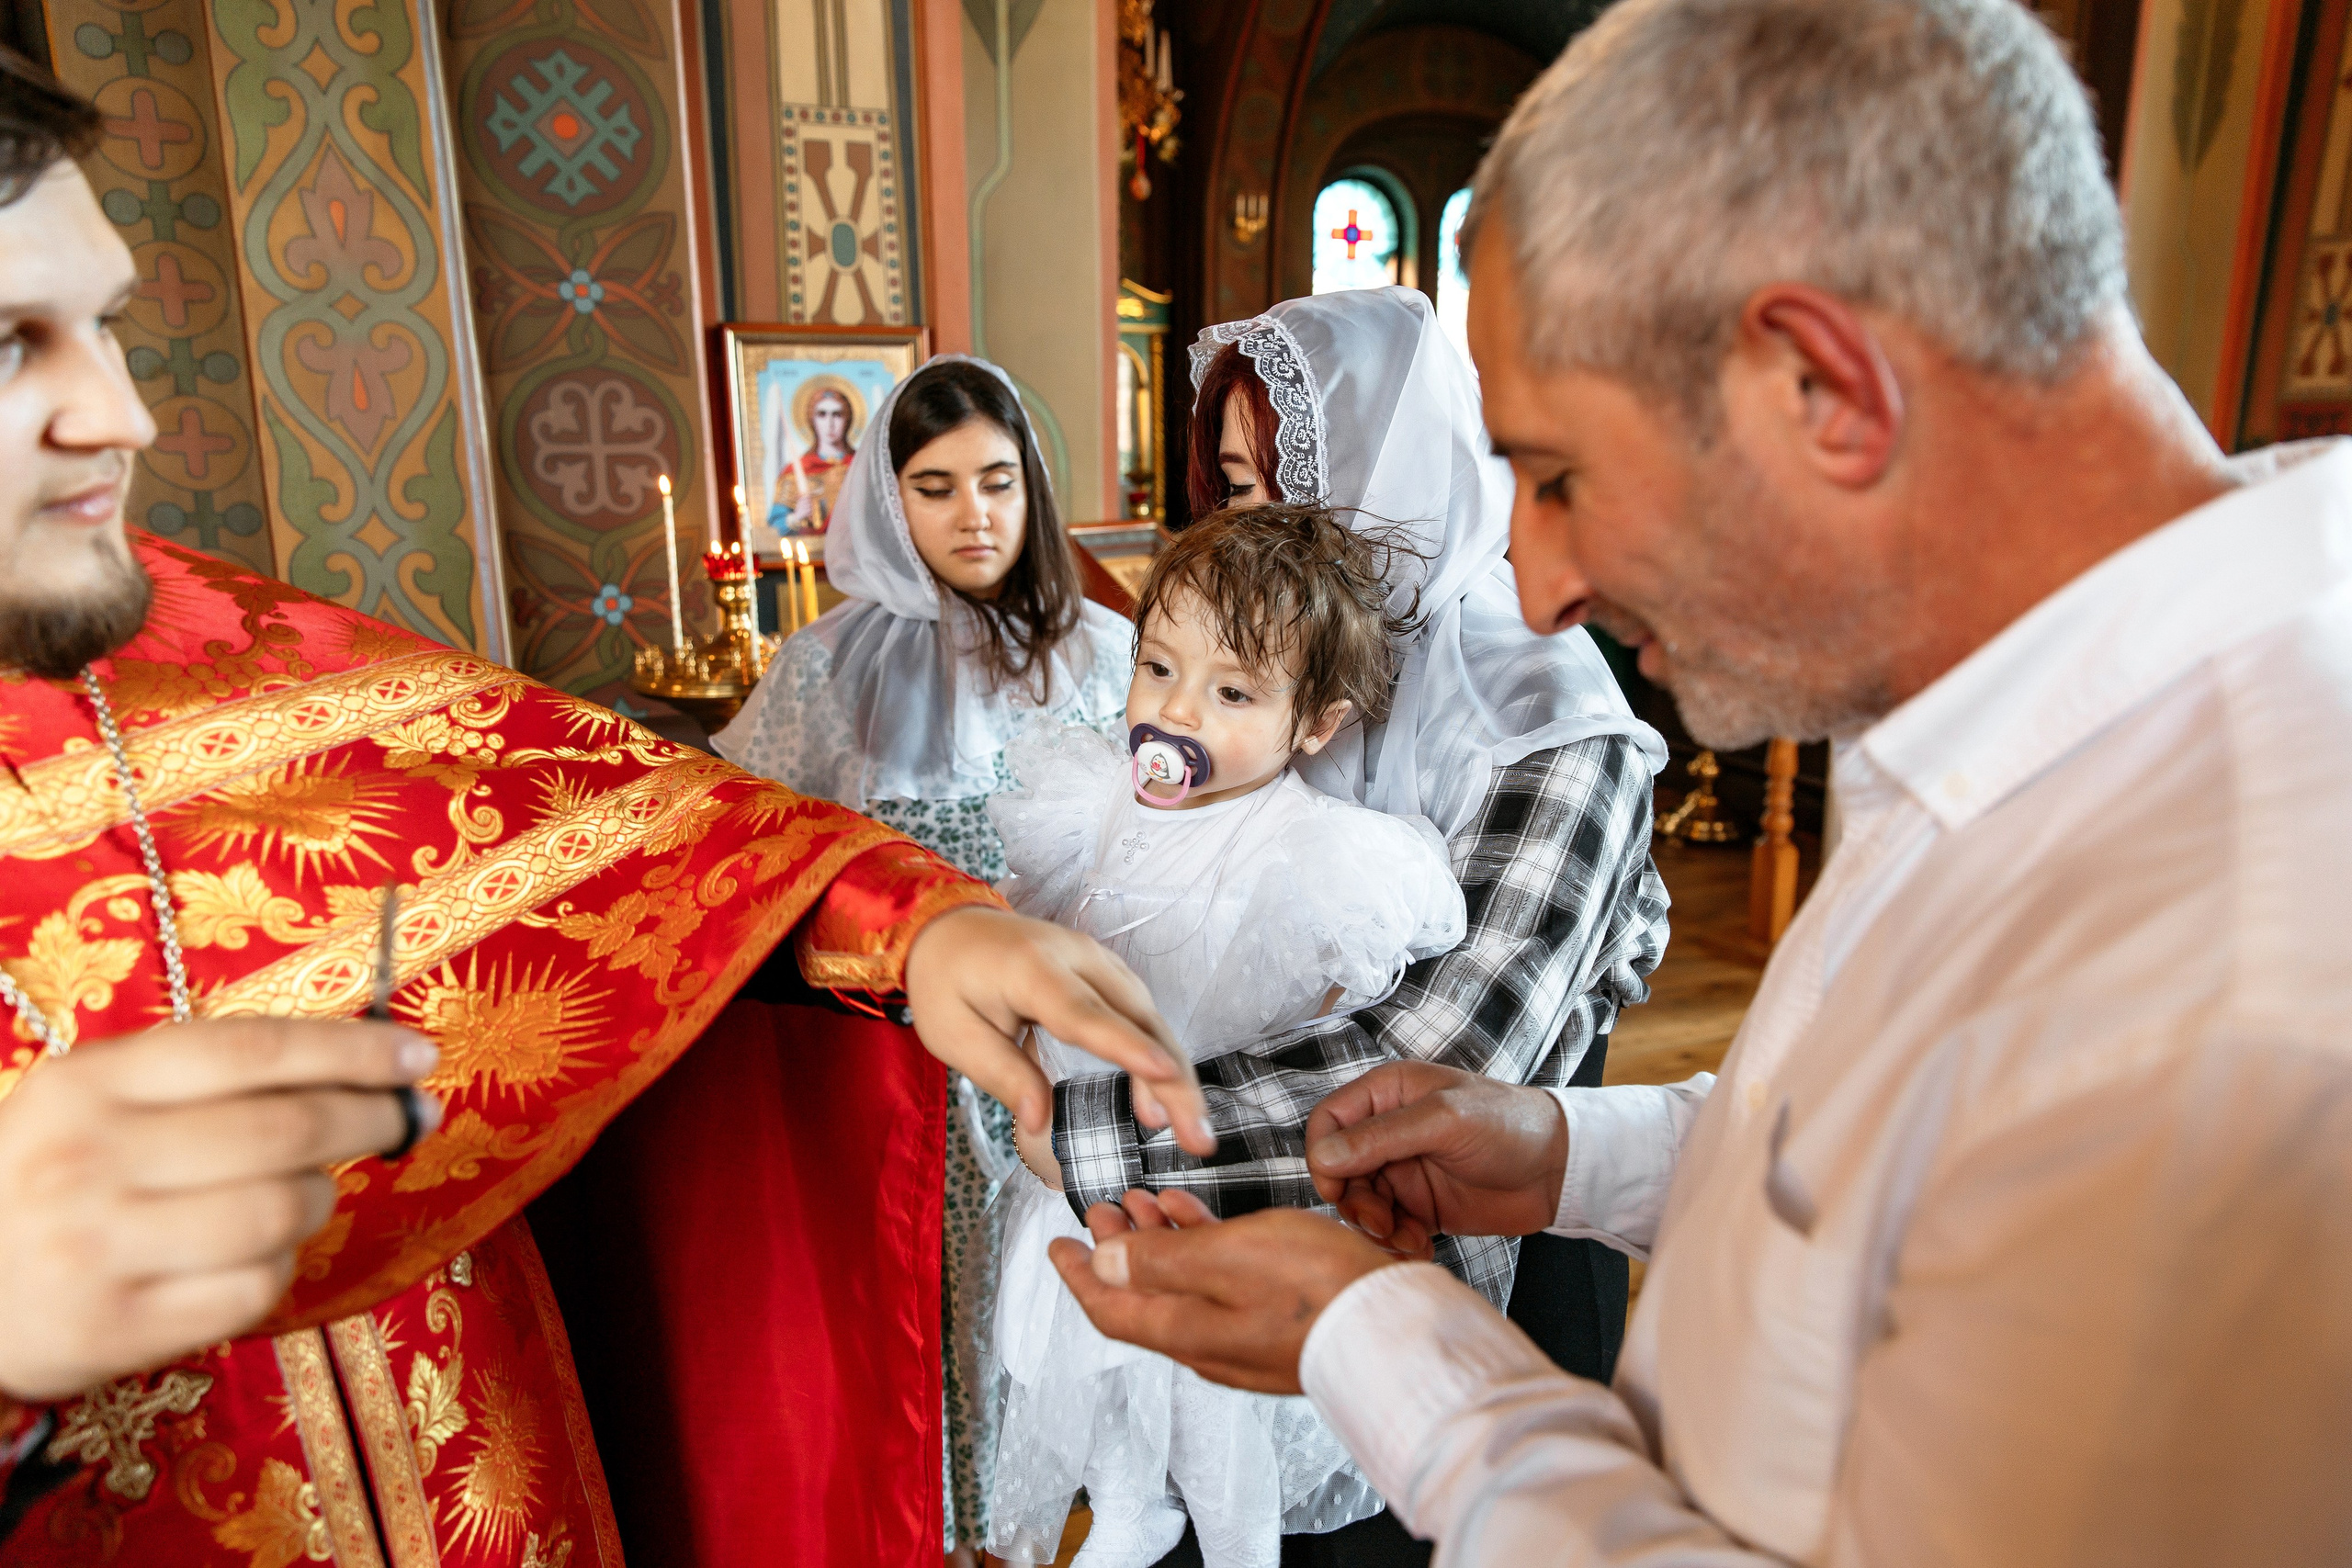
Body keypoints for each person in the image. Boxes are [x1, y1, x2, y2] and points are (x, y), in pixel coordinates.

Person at [1044, 0, 2352, 1561]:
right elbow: (1887, 1158)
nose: (1530, 584)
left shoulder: (2254, 967)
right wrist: (1587, 1150)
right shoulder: (2026, 710)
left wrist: (1370, 1332)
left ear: (1821, 388)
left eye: (1561, 477)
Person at [0, 54, 1209, 1565]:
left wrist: (917, 925)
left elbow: (613, 827)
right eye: (11, 348)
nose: (115, 415)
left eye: (105, 327)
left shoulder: (197, 648)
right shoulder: (846, 660)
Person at [1048, 287, 1667, 1563]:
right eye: (1235, 489)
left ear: (1398, 479)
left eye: (1294, 492)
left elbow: (1444, 1060)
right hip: (1234, 1215)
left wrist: (1091, 1125)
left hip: (1464, 1235)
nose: (1258, 538)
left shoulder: (1548, 722)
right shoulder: (1262, 653)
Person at [984, 507, 1466, 1567]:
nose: (1176, 711)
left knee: (1207, 1399)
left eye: (1233, 692)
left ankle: (1237, 1541)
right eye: (1157, 667)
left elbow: (1328, 1030)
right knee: (1092, 1350)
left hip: (1201, 1178)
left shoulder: (1321, 855)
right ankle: (1123, 1508)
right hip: (1071, 1147)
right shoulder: (1094, 798)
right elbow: (1035, 925)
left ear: (1316, 724)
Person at [717, 354, 1136, 1562]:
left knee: (1057, 1305)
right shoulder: (827, 669)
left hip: (1058, 1046)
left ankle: (1065, 1516)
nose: (975, 514)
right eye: (937, 485)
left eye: (999, 481)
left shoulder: (1109, 657)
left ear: (1034, 488)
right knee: (924, 1309)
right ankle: (948, 1527)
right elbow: (759, 855)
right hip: (893, 1063)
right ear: (889, 501)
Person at [767, 381, 858, 536]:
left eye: (837, 415)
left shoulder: (861, 466)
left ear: (847, 419)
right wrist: (796, 517)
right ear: (812, 420)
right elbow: (774, 526)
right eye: (822, 414)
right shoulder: (796, 471)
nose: (830, 423)